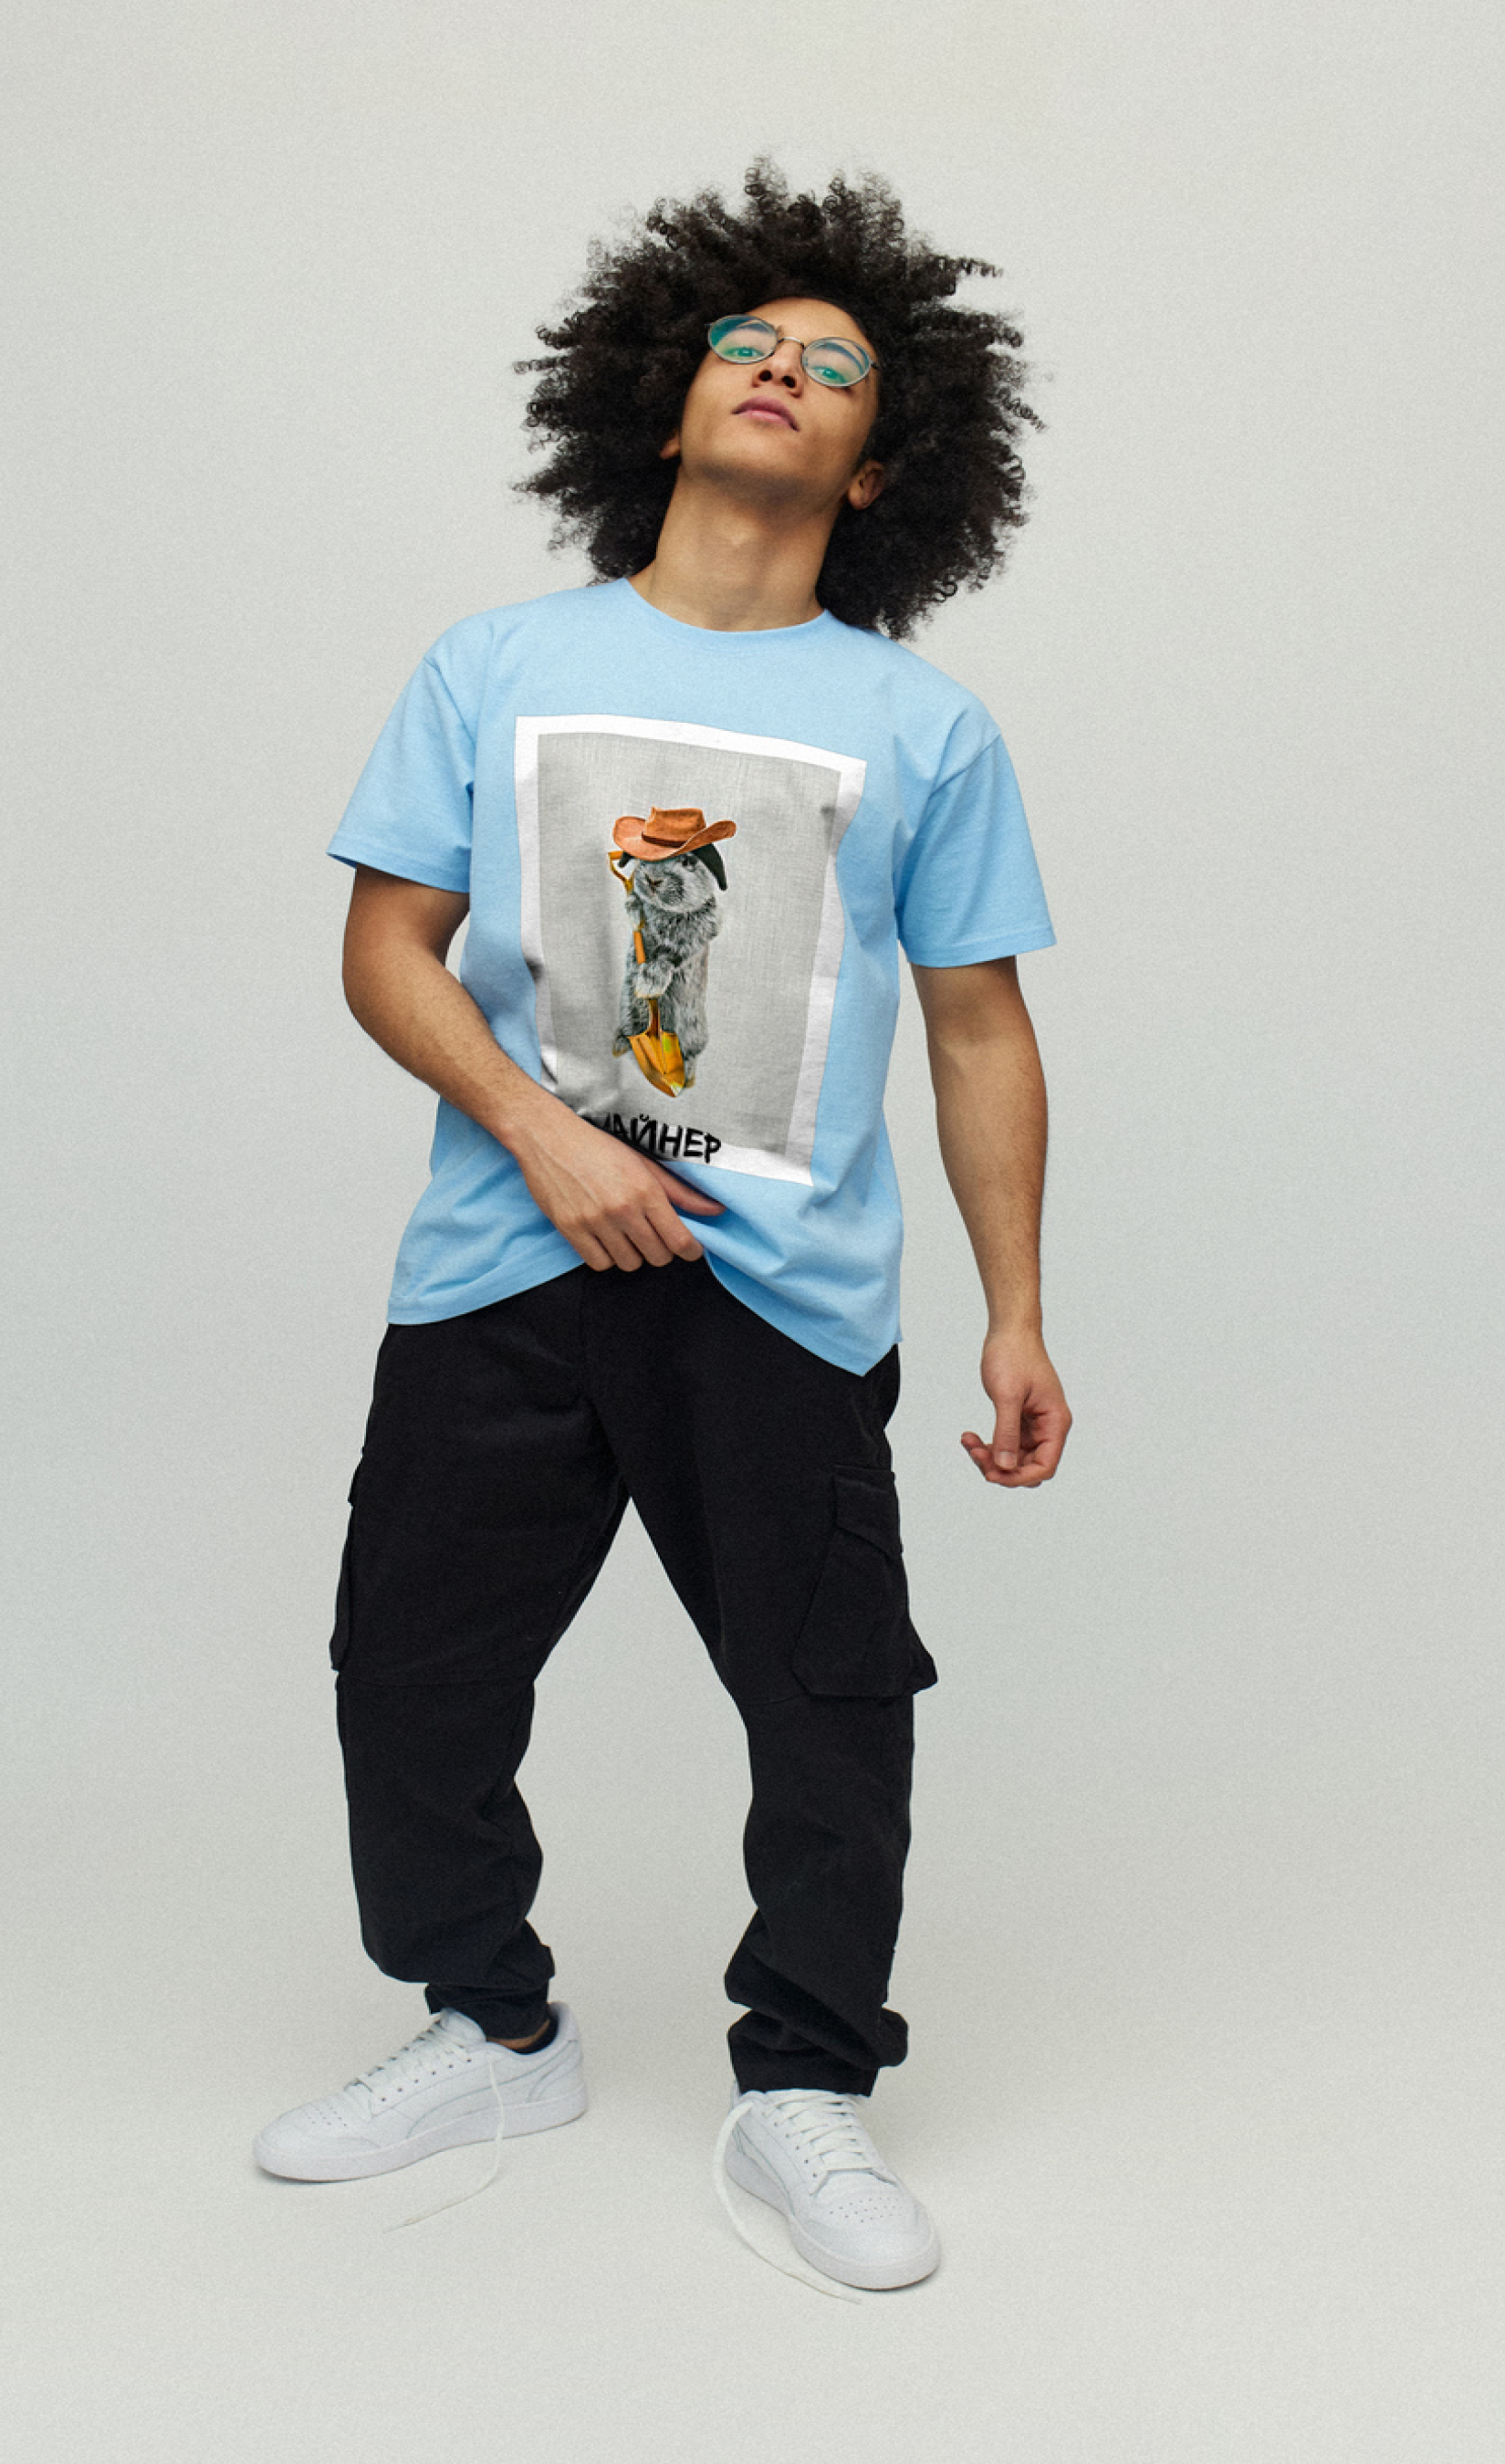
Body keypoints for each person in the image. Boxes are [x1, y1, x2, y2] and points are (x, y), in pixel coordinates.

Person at [253, 162, 1070, 2294]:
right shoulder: (496, 666)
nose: (780, 371)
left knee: (829, 1711)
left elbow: (978, 1028)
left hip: (782, 1297)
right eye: (744, 343)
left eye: (832, 367)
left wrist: (1015, 1311)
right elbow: (385, 950)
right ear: (664, 396)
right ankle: (489, 2030)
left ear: (879, 466)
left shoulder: (919, 724)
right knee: (407, 1678)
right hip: (507, 1265)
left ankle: (803, 2082)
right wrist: (548, 1138)